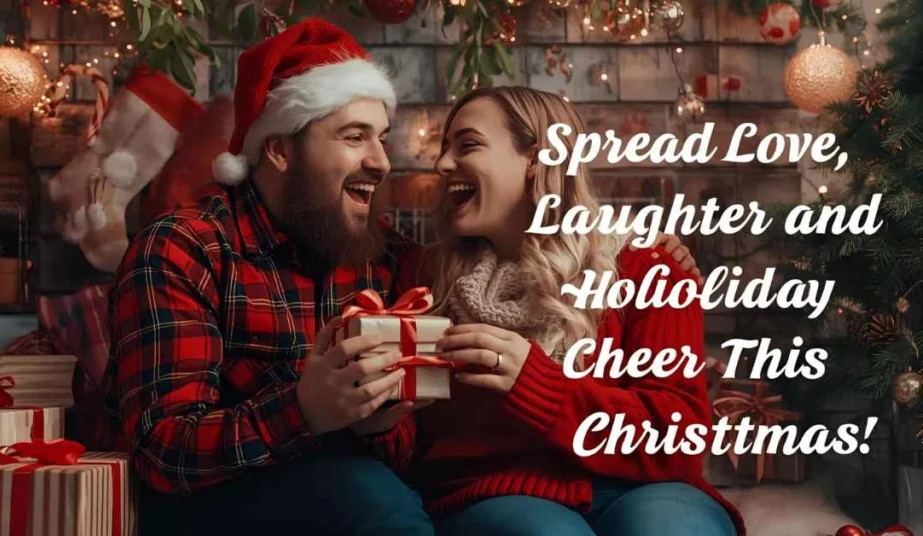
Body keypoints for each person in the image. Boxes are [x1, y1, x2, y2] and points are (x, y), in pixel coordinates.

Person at [101, 18, 701, 536]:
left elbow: (405, 440)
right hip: (228, 493)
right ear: (280, 150)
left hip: (376, 481)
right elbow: (162, 451)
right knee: (376, 498)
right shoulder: (186, 248)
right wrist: (305, 409)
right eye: (354, 137)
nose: (385, 162)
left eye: (382, 138)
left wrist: (381, 422)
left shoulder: (384, 259)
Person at [357, 86, 745, 536]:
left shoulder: (648, 267)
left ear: (539, 159)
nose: (442, 164)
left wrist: (537, 385)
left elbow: (680, 440)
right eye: (445, 148)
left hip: (644, 489)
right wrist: (379, 421)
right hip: (497, 494)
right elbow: (408, 445)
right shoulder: (423, 279)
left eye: (468, 145)